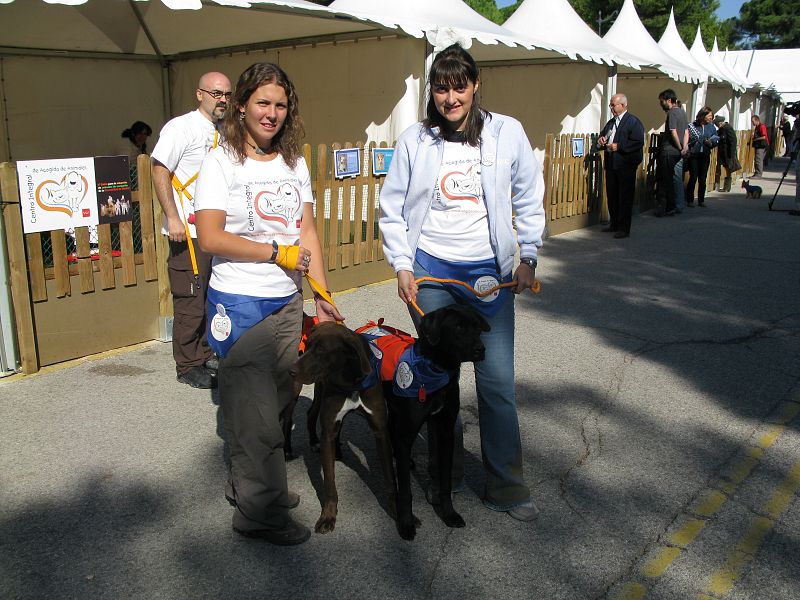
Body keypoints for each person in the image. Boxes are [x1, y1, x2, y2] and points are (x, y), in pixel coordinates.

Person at [379, 44, 545, 522]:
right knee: (437, 380)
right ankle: (444, 478)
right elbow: (392, 207)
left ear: (475, 86)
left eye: (459, 86)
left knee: (495, 384)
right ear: (431, 91)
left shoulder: (505, 133)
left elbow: (529, 199)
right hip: (430, 271)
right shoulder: (416, 139)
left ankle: (507, 487)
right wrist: (402, 264)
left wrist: (527, 256)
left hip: (488, 277)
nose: (450, 97)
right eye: (440, 86)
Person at [194, 62, 342, 544]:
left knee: (278, 401)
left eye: (280, 104)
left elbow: (308, 233)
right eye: (262, 102)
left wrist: (321, 297)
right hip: (241, 305)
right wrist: (272, 252)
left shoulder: (294, 163)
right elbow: (211, 236)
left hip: (286, 303)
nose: (272, 113)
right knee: (255, 415)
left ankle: (256, 488)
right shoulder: (221, 163)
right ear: (241, 105)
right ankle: (258, 514)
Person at [151, 72, 231, 389]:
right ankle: (187, 364)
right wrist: (172, 217)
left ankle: (206, 351)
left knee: (213, 294)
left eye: (226, 94)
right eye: (216, 93)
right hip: (188, 229)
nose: (222, 99)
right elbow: (159, 169)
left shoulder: (224, 131)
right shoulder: (181, 128)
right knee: (191, 296)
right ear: (200, 94)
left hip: (216, 229)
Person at [597, 93, 645, 238]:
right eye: (610, 104)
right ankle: (614, 224)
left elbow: (638, 142)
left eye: (613, 104)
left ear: (623, 105)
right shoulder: (611, 122)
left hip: (626, 164)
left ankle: (624, 228)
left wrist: (619, 146)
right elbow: (601, 137)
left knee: (624, 196)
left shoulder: (633, 122)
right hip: (612, 163)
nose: (611, 107)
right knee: (612, 195)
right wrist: (601, 141)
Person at [656, 89, 689, 216]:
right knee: (677, 179)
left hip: (670, 150)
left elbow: (673, 131)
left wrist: (680, 147)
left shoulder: (672, 113)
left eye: (662, 101)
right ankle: (678, 205)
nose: (661, 104)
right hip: (679, 152)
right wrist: (684, 147)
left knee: (667, 179)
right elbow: (686, 132)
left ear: (669, 100)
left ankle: (668, 207)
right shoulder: (682, 112)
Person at [685, 106, 719, 208]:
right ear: (703, 115)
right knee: (693, 177)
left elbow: (716, 139)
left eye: (711, 116)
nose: (710, 118)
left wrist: (711, 142)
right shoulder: (693, 126)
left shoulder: (711, 127)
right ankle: (690, 200)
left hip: (705, 155)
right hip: (694, 155)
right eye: (709, 116)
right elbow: (687, 138)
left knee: (702, 178)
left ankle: (701, 200)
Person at [713, 115, 738, 192]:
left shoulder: (728, 128)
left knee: (728, 168)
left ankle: (727, 187)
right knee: (723, 167)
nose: (717, 126)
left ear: (720, 123)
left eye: (717, 124)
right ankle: (722, 186)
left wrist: (731, 153)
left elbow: (733, 141)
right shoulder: (721, 129)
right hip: (722, 152)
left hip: (727, 152)